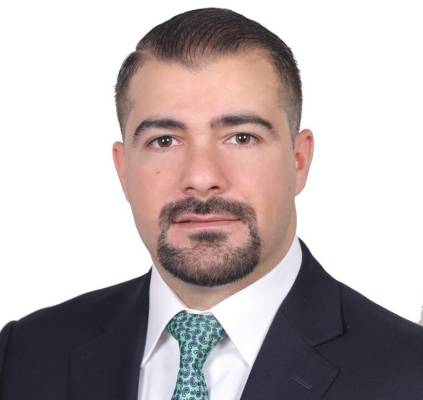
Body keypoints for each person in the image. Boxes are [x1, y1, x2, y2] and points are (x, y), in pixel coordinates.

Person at [0, 7, 422, 400]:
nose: (201, 178)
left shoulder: (410, 372)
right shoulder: (24, 356)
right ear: (123, 169)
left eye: (241, 137)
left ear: (299, 160)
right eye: (165, 141)